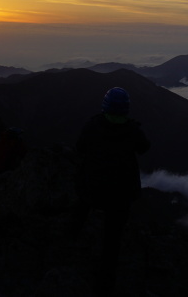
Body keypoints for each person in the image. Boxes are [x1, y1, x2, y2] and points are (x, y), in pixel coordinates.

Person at [71, 87, 150, 294]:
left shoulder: (93, 124)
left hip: (93, 187)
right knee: (112, 239)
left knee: (80, 211)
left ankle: (65, 248)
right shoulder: (132, 130)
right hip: (121, 193)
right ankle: (106, 283)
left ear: (105, 105)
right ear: (126, 108)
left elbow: (80, 147)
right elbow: (144, 147)